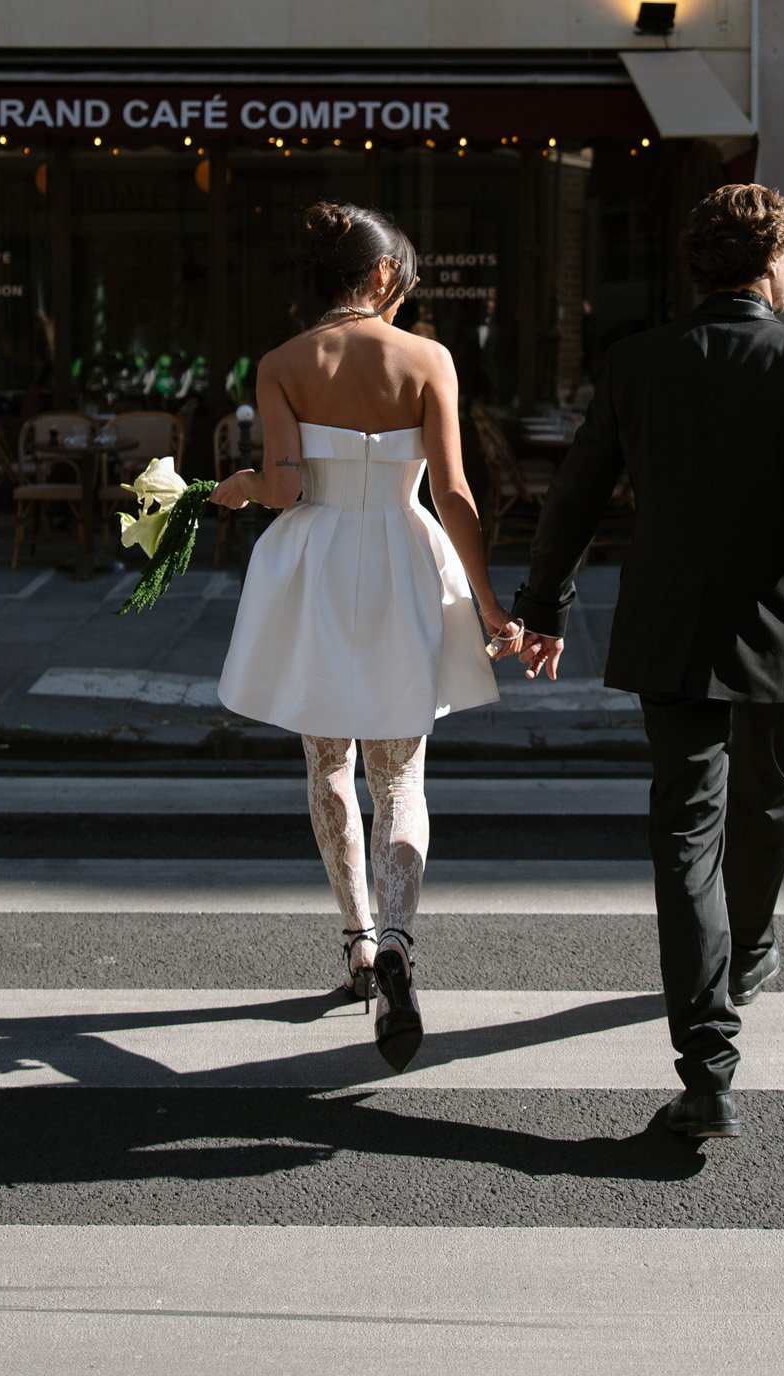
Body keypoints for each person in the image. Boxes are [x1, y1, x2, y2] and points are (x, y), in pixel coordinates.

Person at [512, 183, 784, 1141]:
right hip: (781, 634)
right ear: (769, 262)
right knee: (766, 804)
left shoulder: (637, 363)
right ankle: (748, 949)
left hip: (669, 630)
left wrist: (543, 605)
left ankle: (707, 1063)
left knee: (683, 832)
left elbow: (575, 497)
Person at [211, 202, 523, 1073]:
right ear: (383, 275)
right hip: (402, 557)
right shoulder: (427, 357)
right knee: (402, 774)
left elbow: (280, 487)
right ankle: (396, 937)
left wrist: (236, 485)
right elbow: (454, 494)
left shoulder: (280, 363)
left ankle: (353, 942)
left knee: (329, 767)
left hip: (314, 561)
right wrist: (492, 608)